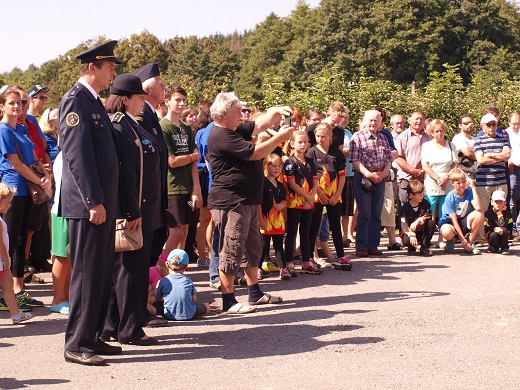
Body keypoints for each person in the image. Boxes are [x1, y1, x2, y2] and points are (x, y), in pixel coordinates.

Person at [58, 40, 123, 366]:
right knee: (85, 273)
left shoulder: (93, 101)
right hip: (88, 207)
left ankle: (93, 335)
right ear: (90, 67)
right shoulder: (75, 101)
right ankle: (77, 343)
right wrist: (93, 201)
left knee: (99, 273)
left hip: (101, 205)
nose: (113, 70)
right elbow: (77, 157)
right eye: (108, 65)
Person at [207, 92, 293, 314]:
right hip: (231, 202)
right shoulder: (221, 135)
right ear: (225, 113)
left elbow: (258, 125)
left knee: (252, 248)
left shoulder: (233, 129)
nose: (241, 116)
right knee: (231, 249)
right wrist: (279, 137)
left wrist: (276, 110)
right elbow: (255, 153)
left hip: (247, 200)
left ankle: (255, 292)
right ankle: (228, 300)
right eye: (237, 112)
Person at [101, 73, 163, 347]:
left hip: (144, 209)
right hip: (133, 211)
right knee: (127, 272)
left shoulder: (131, 125)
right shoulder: (119, 127)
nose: (143, 102)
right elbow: (124, 175)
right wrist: (130, 211)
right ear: (124, 99)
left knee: (129, 271)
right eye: (139, 97)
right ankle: (127, 328)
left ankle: (114, 325)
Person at [0, 88, 52, 309]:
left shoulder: (21, 127)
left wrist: (46, 174)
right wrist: (40, 181)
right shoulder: (3, 130)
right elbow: (15, 163)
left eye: (20, 103)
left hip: (28, 190)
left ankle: (18, 290)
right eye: (11, 103)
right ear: (2, 106)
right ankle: (4, 294)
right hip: (12, 190)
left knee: (21, 243)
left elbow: (32, 157)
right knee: (7, 244)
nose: (17, 106)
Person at [132, 62, 169, 268]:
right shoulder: (141, 116)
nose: (164, 88)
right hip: (147, 197)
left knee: (154, 245)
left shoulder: (151, 114)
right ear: (147, 90)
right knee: (145, 251)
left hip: (156, 194)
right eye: (161, 85)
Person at [160, 85, 202, 254]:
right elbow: (173, 161)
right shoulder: (163, 127)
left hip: (188, 187)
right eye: (177, 100)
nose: (181, 103)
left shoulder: (185, 128)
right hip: (173, 187)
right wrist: (192, 157)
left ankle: (178, 270)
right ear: (167, 101)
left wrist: (196, 189)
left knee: (185, 232)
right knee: (175, 232)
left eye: (184, 100)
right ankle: (161, 266)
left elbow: (194, 160)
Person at [349, 110, 393, 257]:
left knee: (376, 213)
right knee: (364, 212)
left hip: (380, 177)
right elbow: (355, 161)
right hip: (363, 177)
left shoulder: (384, 138)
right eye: (370, 120)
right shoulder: (357, 137)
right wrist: (369, 174)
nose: (373, 123)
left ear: (381, 122)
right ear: (365, 121)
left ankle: (373, 245)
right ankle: (361, 246)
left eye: (376, 120)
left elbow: (388, 160)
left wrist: (382, 174)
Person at [307, 122, 350, 270]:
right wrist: (320, 194)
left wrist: (337, 194)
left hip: (334, 196)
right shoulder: (311, 152)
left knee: (336, 226)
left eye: (323, 136)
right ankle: (310, 259)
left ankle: (341, 256)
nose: (320, 139)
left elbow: (342, 176)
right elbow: (311, 177)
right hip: (317, 195)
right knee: (314, 226)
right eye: (317, 136)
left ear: (330, 137)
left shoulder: (336, 153)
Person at [283, 130, 318, 277]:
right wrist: (306, 197)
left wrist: (311, 197)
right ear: (292, 143)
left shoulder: (310, 161)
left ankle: (306, 263)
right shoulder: (290, 163)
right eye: (300, 142)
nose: (303, 144)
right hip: (294, 202)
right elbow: (291, 183)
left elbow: (315, 181)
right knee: (291, 232)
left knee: (306, 232)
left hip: (309, 202)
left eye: (305, 142)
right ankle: (289, 263)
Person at [474, 113, 511, 244]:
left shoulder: (503, 139)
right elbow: (480, 160)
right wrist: (498, 157)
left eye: (494, 124)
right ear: (482, 126)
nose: (491, 127)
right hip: (483, 182)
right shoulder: (478, 140)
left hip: (501, 180)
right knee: (481, 210)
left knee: (502, 209)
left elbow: (507, 155)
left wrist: (491, 155)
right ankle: (479, 237)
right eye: (488, 125)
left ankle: (503, 237)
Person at [421, 119, 458, 246]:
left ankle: (441, 239)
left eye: (441, 131)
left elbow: (455, 164)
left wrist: (446, 177)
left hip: (447, 183)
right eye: (436, 131)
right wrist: (437, 178)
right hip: (432, 182)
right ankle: (425, 239)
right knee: (427, 211)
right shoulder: (427, 146)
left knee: (445, 212)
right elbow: (425, 165)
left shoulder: (451, 145)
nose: (439, 133)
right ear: (431, 132)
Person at [0, 183, 34, 324]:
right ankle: (15, 314)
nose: (9, 206)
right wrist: (5, 259)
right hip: (1, 261)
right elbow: (0, 243)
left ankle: (16, 314)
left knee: (8, 286)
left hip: (2, 261)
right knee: (7, 286)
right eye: (7, 202)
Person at [155, 249, 211, 320]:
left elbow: (157, 298)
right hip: (189, 313)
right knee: (207, 306)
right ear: (186, 267)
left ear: (167, 264)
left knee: (155, 304)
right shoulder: (188, 280)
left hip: (168, 314)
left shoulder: (163, 280)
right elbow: (194, 300)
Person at [438, 168, 484, 255]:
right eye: (458, 183)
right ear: (452, 183)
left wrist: (473, 188)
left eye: (463, 182)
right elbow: (454, 221)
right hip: (450, 222)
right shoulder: (450, 197)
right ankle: (451, 241)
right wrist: (463, 242)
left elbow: (478, 207)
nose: (462, 185)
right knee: (447, 231)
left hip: (462, 220)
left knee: (479, 213)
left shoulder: (469, 192)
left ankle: (470, 243)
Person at [258, 154, 287, 280]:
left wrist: (282, 204)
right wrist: (260, 219)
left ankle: (283, 268)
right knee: (263, 246)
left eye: (279, 166)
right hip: (265, 219)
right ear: (266, 167)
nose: (277, 169)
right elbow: (258, 202)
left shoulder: (280, 185)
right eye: (274, 166)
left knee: (279, 245)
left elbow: (285, 200)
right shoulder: (261, 183)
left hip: (278, 221)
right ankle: (258, 268)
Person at [49, 151, 71, 315]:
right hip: (63, 210)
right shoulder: (64, 155)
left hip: (69, 210)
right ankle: (58, 299)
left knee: (68, 258)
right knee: (62, 256)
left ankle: (67, 297)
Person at [395, 111, 430, 208]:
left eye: (421, 119)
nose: (419, 121)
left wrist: (422, 171)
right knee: (405, 209)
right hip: (406, 179)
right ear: (410, 120)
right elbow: (398, 158)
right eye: (416, 119)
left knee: (421, 209)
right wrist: (413, 171)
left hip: (422, 179)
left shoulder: (427, 137)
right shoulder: (403, 136)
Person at [399, 180, 435, 256]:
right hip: (410, 232)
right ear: (411, 195)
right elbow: (403, 223)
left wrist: (419, 220)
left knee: (431, 223)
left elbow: (428, 215)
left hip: (421, 231)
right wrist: (410, 234)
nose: (422, 196)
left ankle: (424, 247)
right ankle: (411, 247)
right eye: (420, 195)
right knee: (407, 240)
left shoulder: (425, 203)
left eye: (423, 194)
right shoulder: (405, 208)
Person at [484, 190, 512, 255]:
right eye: (496, 202)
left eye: (501, 202)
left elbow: (509, 226)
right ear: (491, 202)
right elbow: (487, 226)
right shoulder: (488, 213)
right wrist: (495, 229)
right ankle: (494, 246)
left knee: (504, 230)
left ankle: (504, 247)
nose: (498, 204)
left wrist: (500, 213)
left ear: (505, 203)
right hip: (492, 233)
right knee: (494, 234)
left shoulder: (507, 213)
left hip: (504, 233)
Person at [505, 112, 520, 234]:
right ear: (509, 122)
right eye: (514, 124)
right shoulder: (505, 134)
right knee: (512, 200)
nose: (516, 126)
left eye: (518, 123)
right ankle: (514, 227)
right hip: (513, 169)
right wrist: (508, 159)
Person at [452, 115, 478, 180]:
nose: (469, 125)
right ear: (460, 125)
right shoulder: (458, 138)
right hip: (464, 174)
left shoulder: (475, 139)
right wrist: (481, 157)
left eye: (471, 123)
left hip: (477, 173)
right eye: (466, 123)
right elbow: (468, 153)